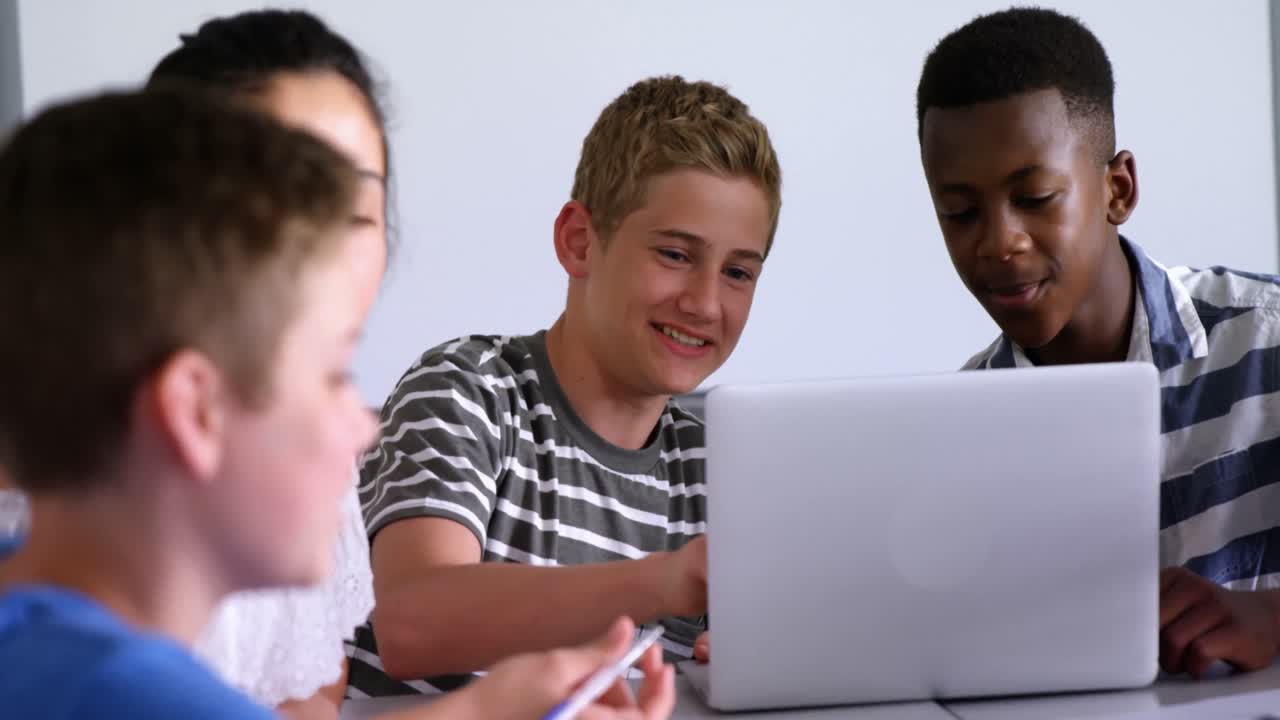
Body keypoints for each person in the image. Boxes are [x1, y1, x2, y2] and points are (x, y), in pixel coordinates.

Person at [0, 87, 672, 720]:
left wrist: (484, 707)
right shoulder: (144, 700)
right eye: (330, 375)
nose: (362, 429)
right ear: (194, 411)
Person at [349, 74, 782, 696]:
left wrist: (743, 662)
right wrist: (662, 582)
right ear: (580, 242)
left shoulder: (720, 471)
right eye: (676, 255)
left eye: (738, 271)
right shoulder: (465, 394)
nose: (706, 303)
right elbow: (412, 623)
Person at [916, 6, 1280, 679]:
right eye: (960, 213)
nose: (999, 242)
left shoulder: (1270, 342)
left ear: (1118, 189)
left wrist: (1275, 618)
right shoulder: (956, 425)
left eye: (1036, 197)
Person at [145, 10, 388, 716]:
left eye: (355, 213)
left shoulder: (316, 432)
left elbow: (309, 693)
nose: (321, 252)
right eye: (279, 201)